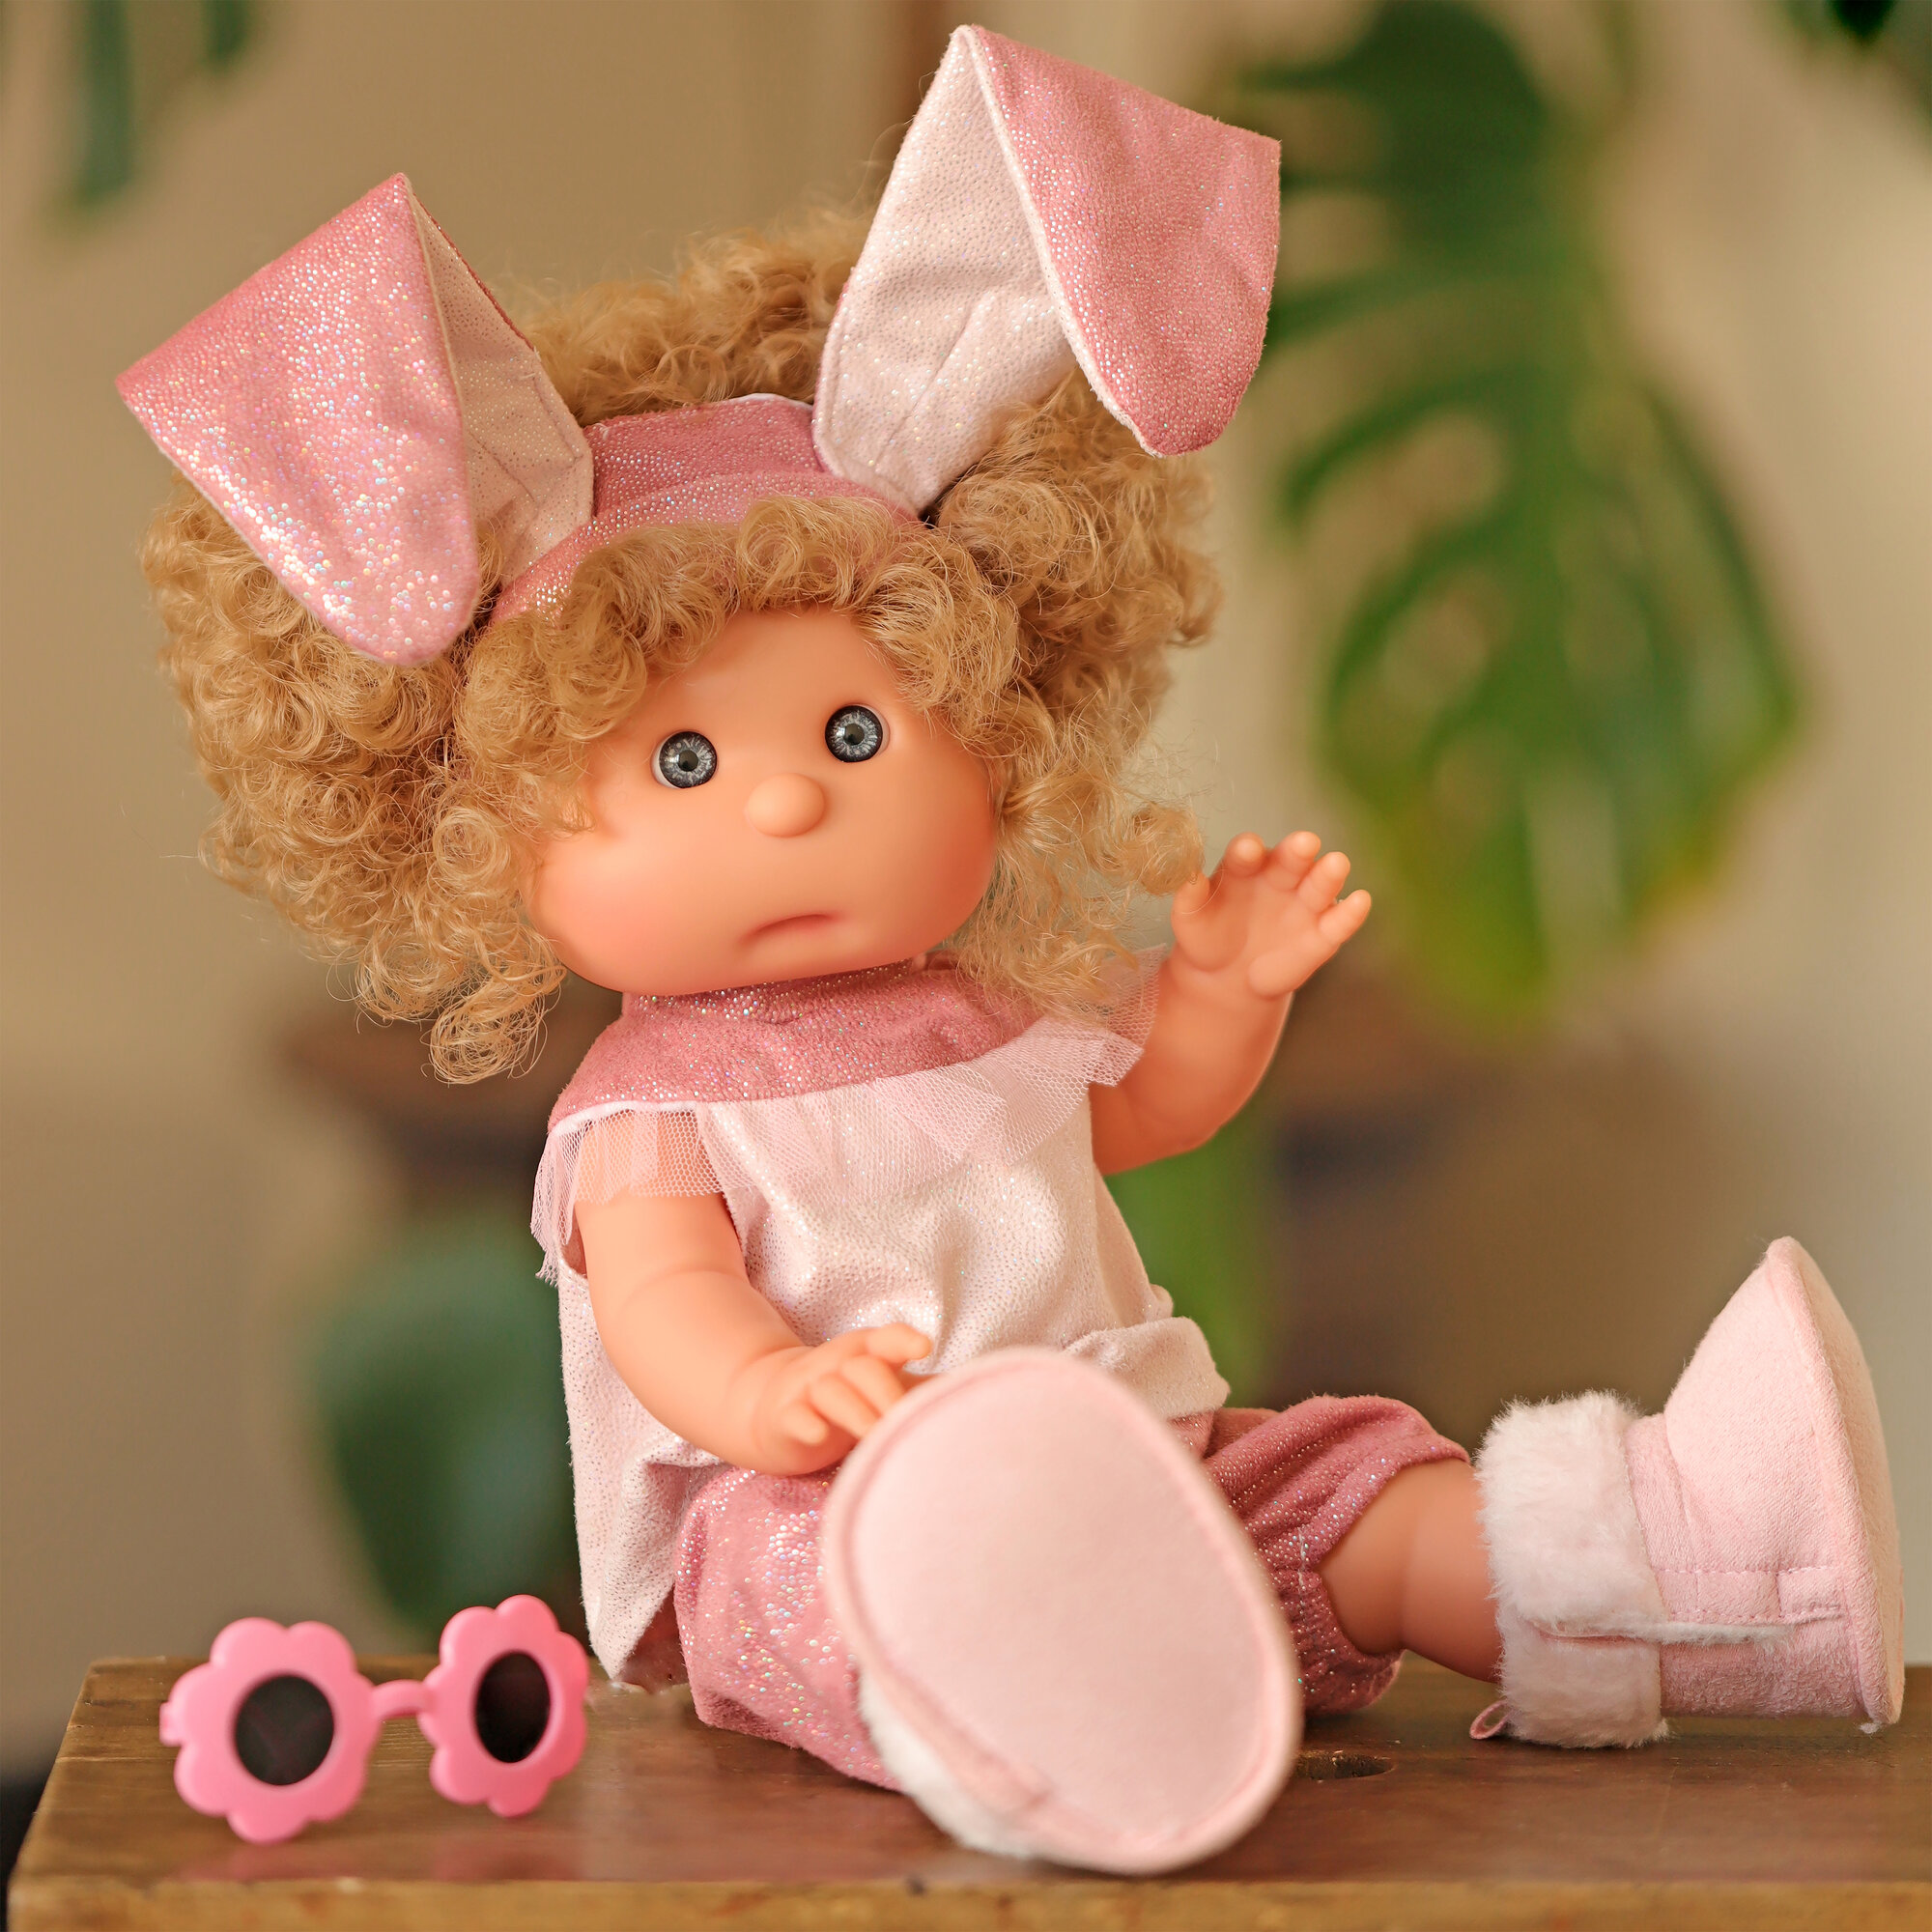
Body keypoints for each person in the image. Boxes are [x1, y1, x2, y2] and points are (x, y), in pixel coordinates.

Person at [120, 25, 1902, 1876]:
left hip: (1138, 1456)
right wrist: (765, 1392)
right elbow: (661, 1300)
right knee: (818, 1581)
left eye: (857, 734)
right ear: (493, 826)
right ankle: (1020, 1700)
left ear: (995, 728)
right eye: (683, 763)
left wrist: (1220, 990)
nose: (787, 802)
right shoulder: (658, 1109)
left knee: (1340, 1486)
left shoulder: (982, 1020)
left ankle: (1703, 1574)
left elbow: (1135, 1115)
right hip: (828, 1505)